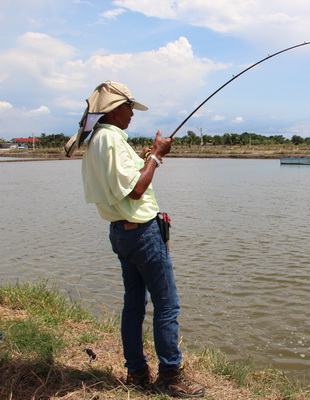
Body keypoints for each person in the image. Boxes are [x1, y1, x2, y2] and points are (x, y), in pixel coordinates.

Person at [76, 81, 204, 398]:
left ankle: (136, 372)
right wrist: (156, 157)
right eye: (129, 107)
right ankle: (171, 376)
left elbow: (125, 181)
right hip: (142, 233)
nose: (132, 113)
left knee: (134, 304)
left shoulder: (99, 140)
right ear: (113, 109)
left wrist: (148, 156)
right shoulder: (111, 141)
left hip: (121, 233)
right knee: (167, 305)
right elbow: (135, 190)